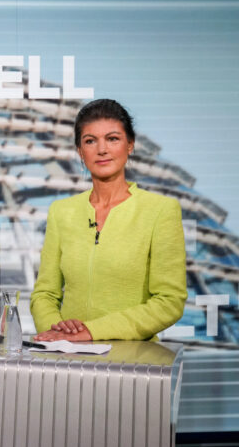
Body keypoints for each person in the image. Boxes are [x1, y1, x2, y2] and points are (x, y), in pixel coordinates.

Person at [31, 99, 186, 342]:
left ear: (130, 145)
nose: (102, 149)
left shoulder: (161, 210)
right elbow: (44, 293)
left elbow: (169, 302)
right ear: (80, 152)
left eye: (112, 139)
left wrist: (92, 331)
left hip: (132, 362)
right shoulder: (61, 212)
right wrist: (57, 329)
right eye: (90, 141)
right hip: (67, 358)